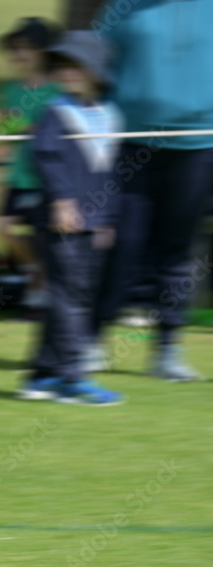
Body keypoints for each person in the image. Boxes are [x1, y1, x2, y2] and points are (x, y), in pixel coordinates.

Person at [89, 0, 213, 381]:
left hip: (197, 145)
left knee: (176, 251)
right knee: (120, 244)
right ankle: (91, 341)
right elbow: (92, 64)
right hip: (130, 143)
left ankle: (167, 350)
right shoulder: (121, 8)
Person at [18, 31, 124, 405]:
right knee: (71, 298)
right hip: (61, 222)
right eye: (62, 65)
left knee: (71, 295)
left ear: (96, 70)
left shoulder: (109, 115)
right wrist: (62, 201)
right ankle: (73, 379)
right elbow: (45, 159)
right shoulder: (56, 113)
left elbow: (109, 174)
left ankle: (41, 376)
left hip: (94, 222)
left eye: (76, 64)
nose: (67, 72)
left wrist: (107, 218)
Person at [0, 18, 61, 315]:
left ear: (44, 52)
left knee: (46, 235)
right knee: (1, 227)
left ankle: (44, 288)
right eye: (16, 49)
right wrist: (6, 123)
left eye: (27, 48)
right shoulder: (9, 89)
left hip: (46, 176)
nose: (20, 55)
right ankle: (36, 272)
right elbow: (5, 128)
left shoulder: (58, 90)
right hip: (17, 174)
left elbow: (55, 131)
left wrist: (25, 126)